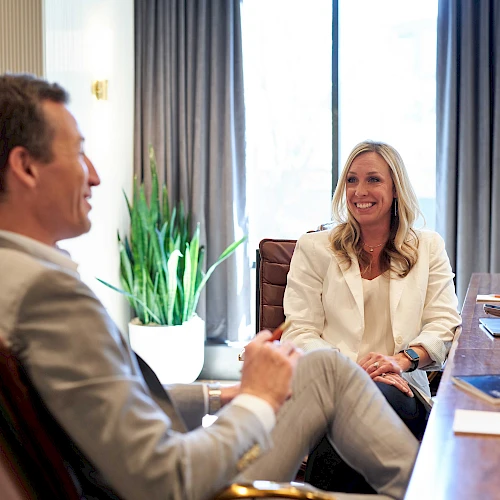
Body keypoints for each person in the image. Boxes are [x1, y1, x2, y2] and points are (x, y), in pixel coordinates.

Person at [0, 74, 419, 500]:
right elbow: (166, 479)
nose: (94, 176)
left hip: (161, 467)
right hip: (187, 483)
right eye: (78, 152)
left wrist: (226, 393)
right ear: (26, 167)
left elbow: (110, 400)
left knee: (325, 370)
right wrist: (256, 400)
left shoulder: (17, 275)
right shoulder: (47, 296)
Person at [282, 140, 461, 493]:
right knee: (352, 407)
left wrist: (401, 360)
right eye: (351, 180)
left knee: (374, 403)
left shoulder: (428, 247)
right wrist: (352, 372)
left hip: (402, 387)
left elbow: (443, 324)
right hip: (332, 387)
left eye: (373, 180)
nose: (360, 191)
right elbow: (298, 331)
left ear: (396, 189)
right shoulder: (314, 248)